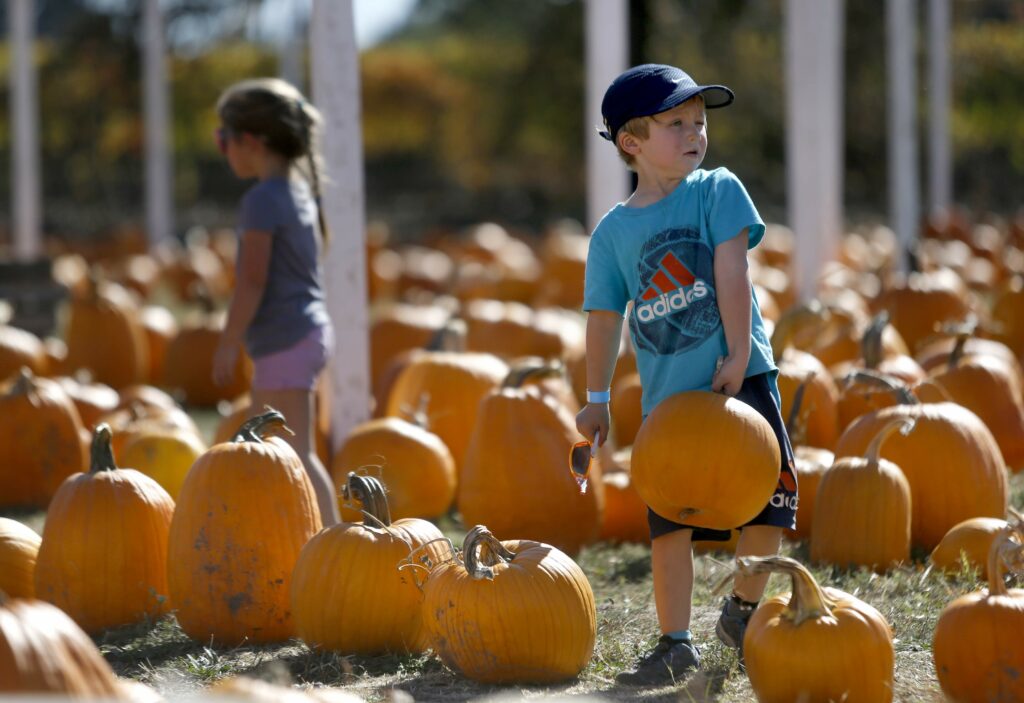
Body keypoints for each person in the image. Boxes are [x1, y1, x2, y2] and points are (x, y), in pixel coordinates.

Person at [575, 64, 798, 686]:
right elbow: (602, 319)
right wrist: (596, 400)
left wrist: (734, 354)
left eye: (699, 121)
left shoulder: (717, 190)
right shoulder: (613, 234)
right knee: (670, 524)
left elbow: (733, 272)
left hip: (742, 378)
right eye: (675, 123)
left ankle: (744, 609)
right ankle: (674, 642)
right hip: (670, 402)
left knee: (769, 506)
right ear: (632, 142)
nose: (695, 132)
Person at [211, 77, 341, 527]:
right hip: (299, 335)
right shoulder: (295, 191)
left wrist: (229, 340)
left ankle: (331, 542)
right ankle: (296, 539)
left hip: (287, 340)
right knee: (274, 451)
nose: (222, 149)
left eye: (222, 138)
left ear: (249, 142)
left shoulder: (261, 201)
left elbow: (251, 280)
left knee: (291, 453)